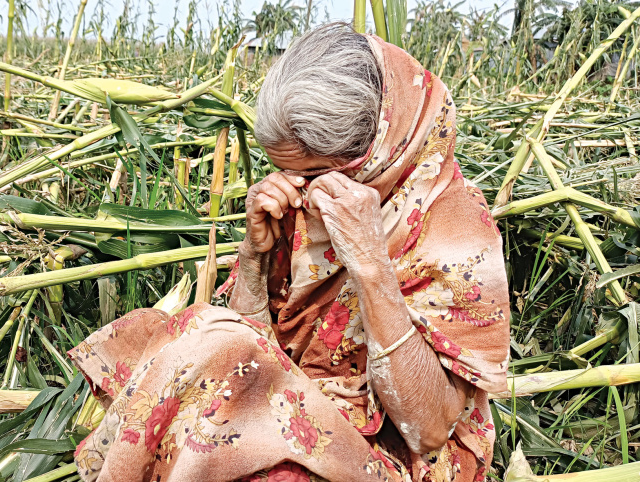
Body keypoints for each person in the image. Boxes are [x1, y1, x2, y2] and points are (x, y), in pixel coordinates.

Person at [68, 23, 510, 482]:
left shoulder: (455, 229)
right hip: (293, 401)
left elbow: (430, 431)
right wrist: (255, 258)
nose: (297, 193)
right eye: (282, 171)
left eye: (313, 175)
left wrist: (372, 267)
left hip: (397, 453)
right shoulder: (303, 203)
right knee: (198, 336)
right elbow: (251, 350)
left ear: (376, 156)